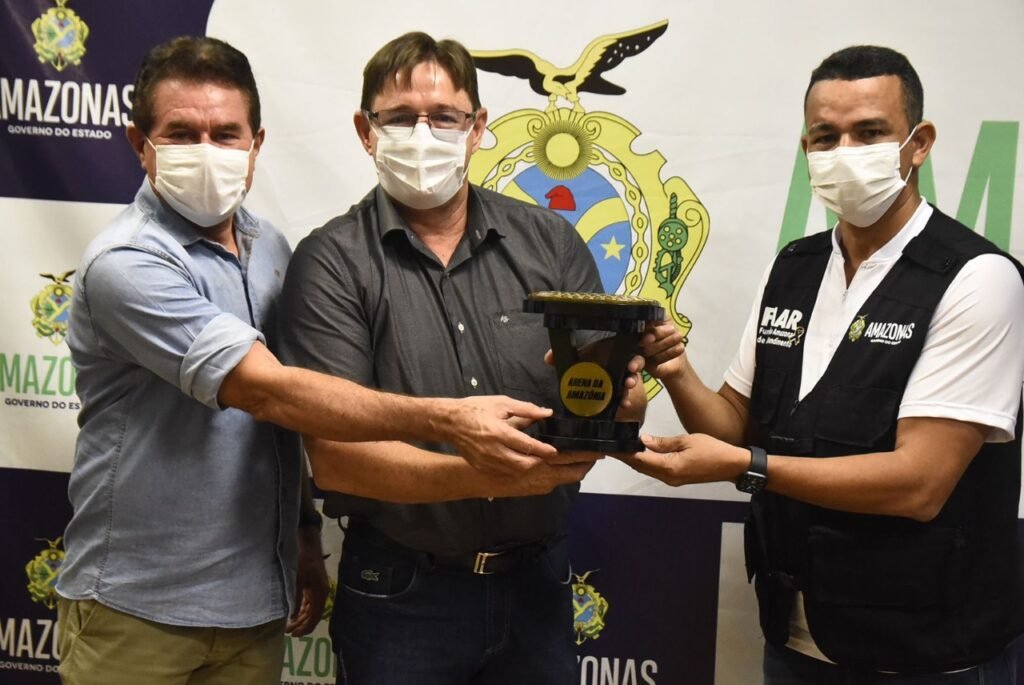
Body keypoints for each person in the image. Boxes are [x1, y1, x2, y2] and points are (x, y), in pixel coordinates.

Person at [56, 36, 560, 685]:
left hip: (253, 602)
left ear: (256, 144)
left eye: (226, 133)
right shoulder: (127, 262)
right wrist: (451, 421)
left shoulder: (270, 248)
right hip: (139, 607)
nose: (207, 150)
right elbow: (269, 393)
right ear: (139, 143)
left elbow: (285, 426)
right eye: (181, 134)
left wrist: (302, 534)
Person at [624, 45, 1024, 682]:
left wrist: (747, 467)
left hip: (924, 650)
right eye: (826, 136)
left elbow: (920, 484)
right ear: (806, 148)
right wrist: (673, 370)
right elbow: (732, 424)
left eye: (869, 133)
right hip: (795, 637)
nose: (845, 152)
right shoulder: (795, 266)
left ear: (918, 143)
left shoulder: (977, 278)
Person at [275, 31, 636, 685]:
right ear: (365, 130)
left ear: (477, 128)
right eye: (399, 117)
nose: (423, 135)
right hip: (402, 594)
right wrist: (494, 473)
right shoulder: (331, 262)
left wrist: (625, 398)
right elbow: (337, 458)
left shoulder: (550, 243)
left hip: (538, 585)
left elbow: (603, 407)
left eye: (444, 116)